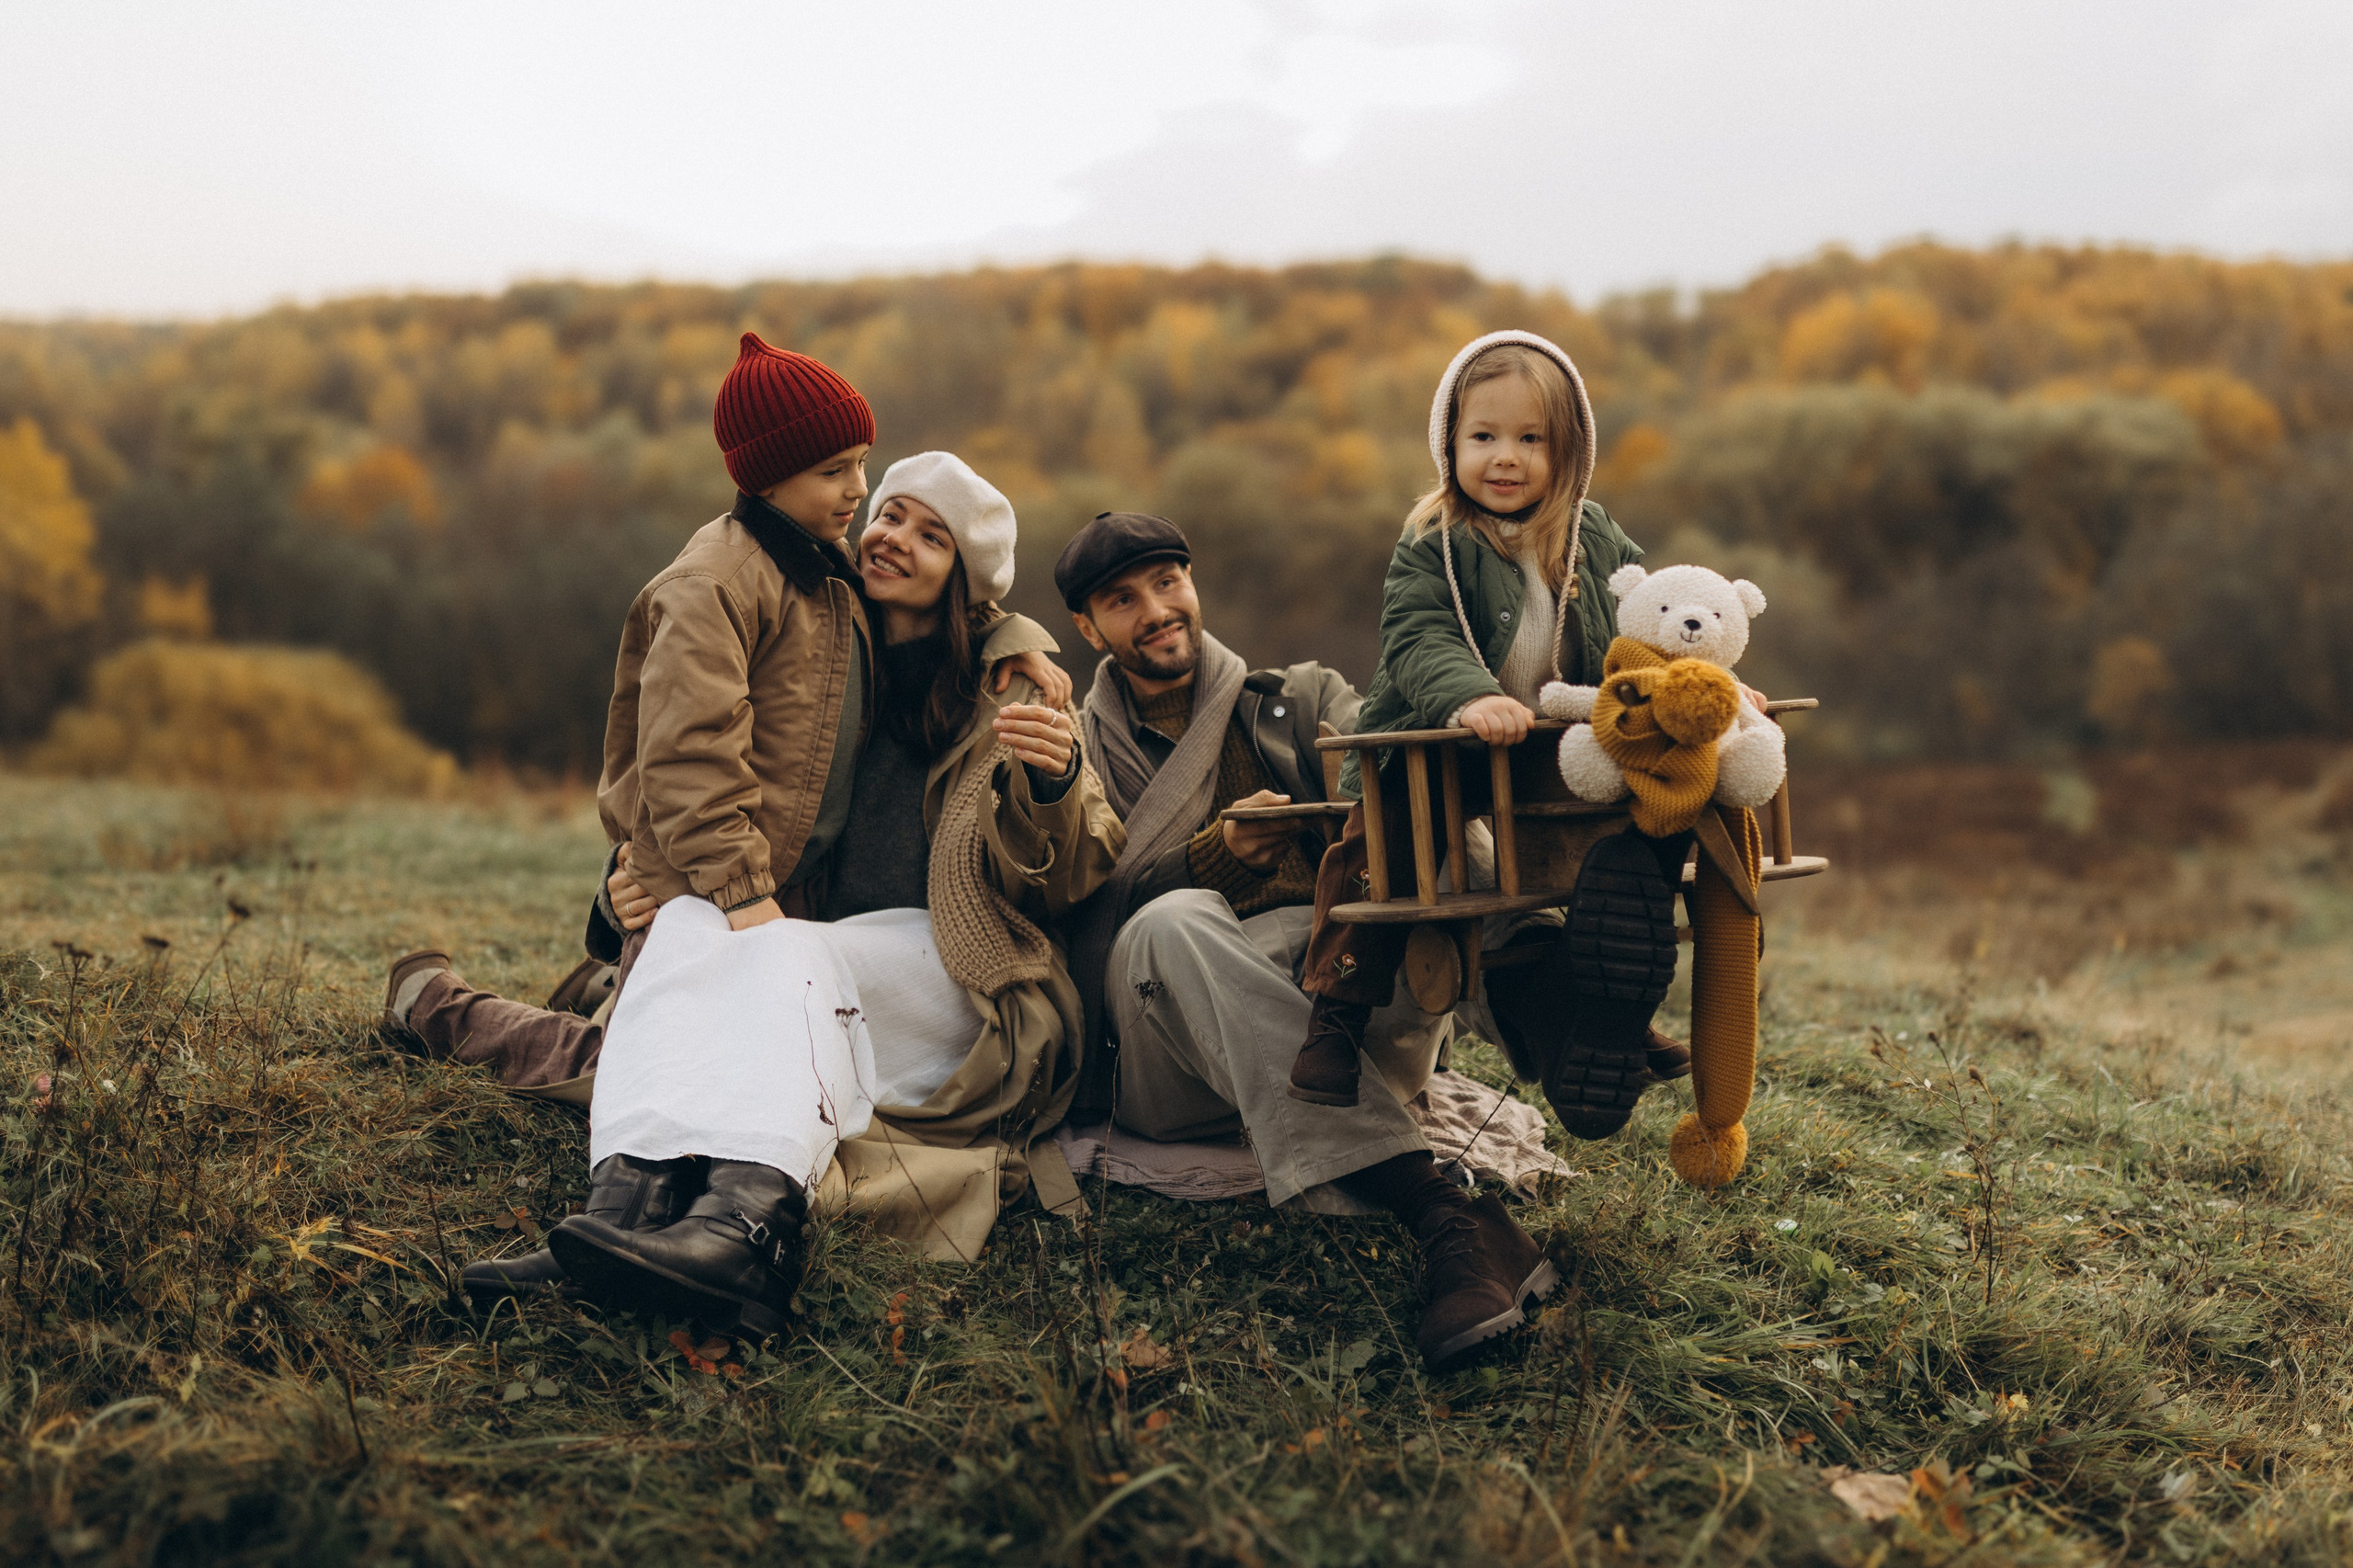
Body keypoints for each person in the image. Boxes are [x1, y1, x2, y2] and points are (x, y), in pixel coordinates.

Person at [383, 336, 1116, 1324]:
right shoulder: (817, 619)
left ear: (968, 581)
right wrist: (624, 886)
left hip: (958, 983)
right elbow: (697, 754)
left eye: (929, 534)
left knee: (699, 1001)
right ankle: (620, 1220)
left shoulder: (1010, 686)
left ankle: (747, 1233)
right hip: (806, 967)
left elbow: (1080, 863)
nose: (888, 529)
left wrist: (1055, 772)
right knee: (695, 949)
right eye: (885, 509)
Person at [1053, 508, 1659, 1370]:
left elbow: (1402, 753)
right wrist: (1212, 858)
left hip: (1341, 1006)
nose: (1156, 609)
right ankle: (1440, 1210)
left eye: (1167, 582)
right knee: (1171, 921)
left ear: (1193, 583)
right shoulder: (1078, 747)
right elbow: (1086, 913)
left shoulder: (1293, 698)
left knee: (1431, 816)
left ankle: (1548, 1000)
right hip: (1173, 1043)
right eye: (1122, 599)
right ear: (1088, 627)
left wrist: (1349, 811)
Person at [1289, 330, 1723, 1153]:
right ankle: (1336, 1016)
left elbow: (1654, 621)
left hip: (1550, 748)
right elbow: (1417, 638)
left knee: (1635, 840)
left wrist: (1701, 683)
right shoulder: (1434, 540)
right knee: (1380, 860)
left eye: (1533, 440)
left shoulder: (1593, 536)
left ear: (1572, 453)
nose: (1506, 458)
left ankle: (1618, 1013)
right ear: (1448, 442)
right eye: (1483, 436)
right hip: (1439, 744)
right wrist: (1471, 696)